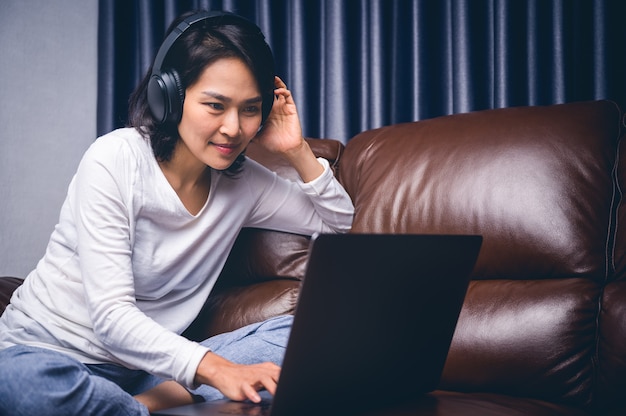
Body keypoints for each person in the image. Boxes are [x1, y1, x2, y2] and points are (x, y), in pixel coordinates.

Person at [0, 10, 354, 416]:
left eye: (250, 109)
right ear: (168, 96)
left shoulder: (245, 184)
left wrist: (296, 150)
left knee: (310, 336)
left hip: (151, 370)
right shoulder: (115, 159)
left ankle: (137, 405)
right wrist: (216, 371)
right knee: (17, 384)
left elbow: (341, 227)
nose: (233, 129)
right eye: (215, 105)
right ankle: (148, 406)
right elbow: (112, 321)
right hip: (48, 358)